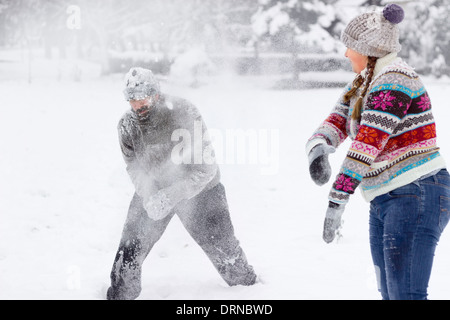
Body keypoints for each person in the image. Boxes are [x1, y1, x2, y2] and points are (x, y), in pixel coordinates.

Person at [306, 4, 450, 300]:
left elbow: (366, 145)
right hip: (387, 196)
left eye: (350, 47)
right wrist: (319, 147)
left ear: (369, 50)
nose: (346, 54)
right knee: (391, 294)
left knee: (405, 295)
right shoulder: (364, 82)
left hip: (417, 193)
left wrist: (337, 200)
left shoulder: (396, 80)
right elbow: (337, 119)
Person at [107, 67, 257, 300]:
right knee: (127, 257)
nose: (137, 104)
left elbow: (206, 168)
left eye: (142, 97)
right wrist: (148, 195)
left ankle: (254, 292)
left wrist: (171, 195)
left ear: (156, 93)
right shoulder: (126, 126)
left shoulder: (184, 112)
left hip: (202, 191)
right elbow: (133, 167)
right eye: (132, 99)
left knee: (231, 263)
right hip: (153, 192)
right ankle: (121, 295)